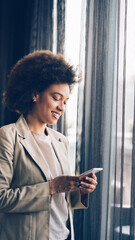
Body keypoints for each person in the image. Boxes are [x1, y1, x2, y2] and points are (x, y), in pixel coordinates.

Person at [0, 50, 97, 240]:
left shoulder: (60, 141)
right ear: (35, 93)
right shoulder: (8, 136)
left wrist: (81, 189)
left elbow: (63, 200)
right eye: (56, 97)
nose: (61, 108)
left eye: (65, 102)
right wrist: (51, 187)